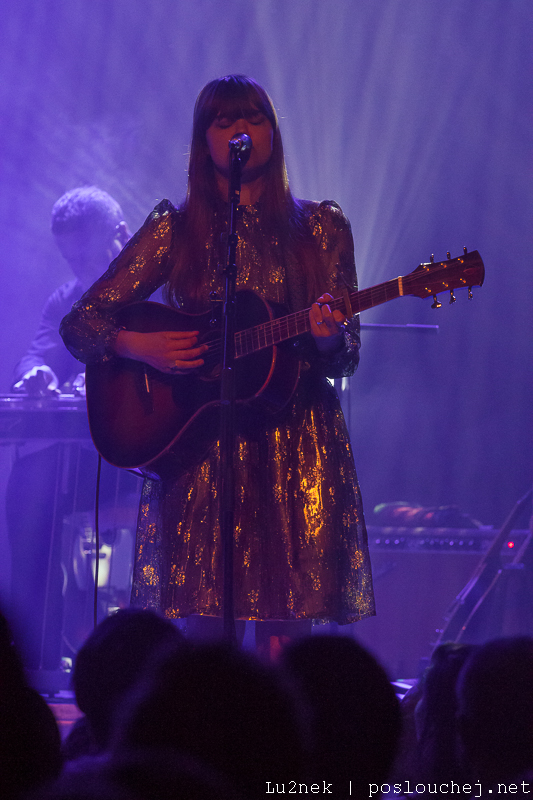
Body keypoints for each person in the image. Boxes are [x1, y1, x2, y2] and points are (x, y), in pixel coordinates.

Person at [60, 75, 375, 645]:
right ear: (203, 140)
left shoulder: (321, 227)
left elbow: (345, 356)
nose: (240, 131)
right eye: (224, 121)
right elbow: (82, 321)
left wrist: (330, 338)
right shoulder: (175, 230)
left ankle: (284, 732)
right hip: (203, 440)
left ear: (273, 133)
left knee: (288, 623)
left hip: (295, 437)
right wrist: (141, 345)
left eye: (253, 118)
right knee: (207, 625)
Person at [7, 187, 138, 671]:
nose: (78, 267)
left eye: (86, 254)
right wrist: (34, 375)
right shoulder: (65, 298)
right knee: (26, 492)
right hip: (79, 457)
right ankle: (38, 661)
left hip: (139, 453)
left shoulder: (155, 291)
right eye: (69, 256)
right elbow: (37, 352)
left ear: (118, 236)